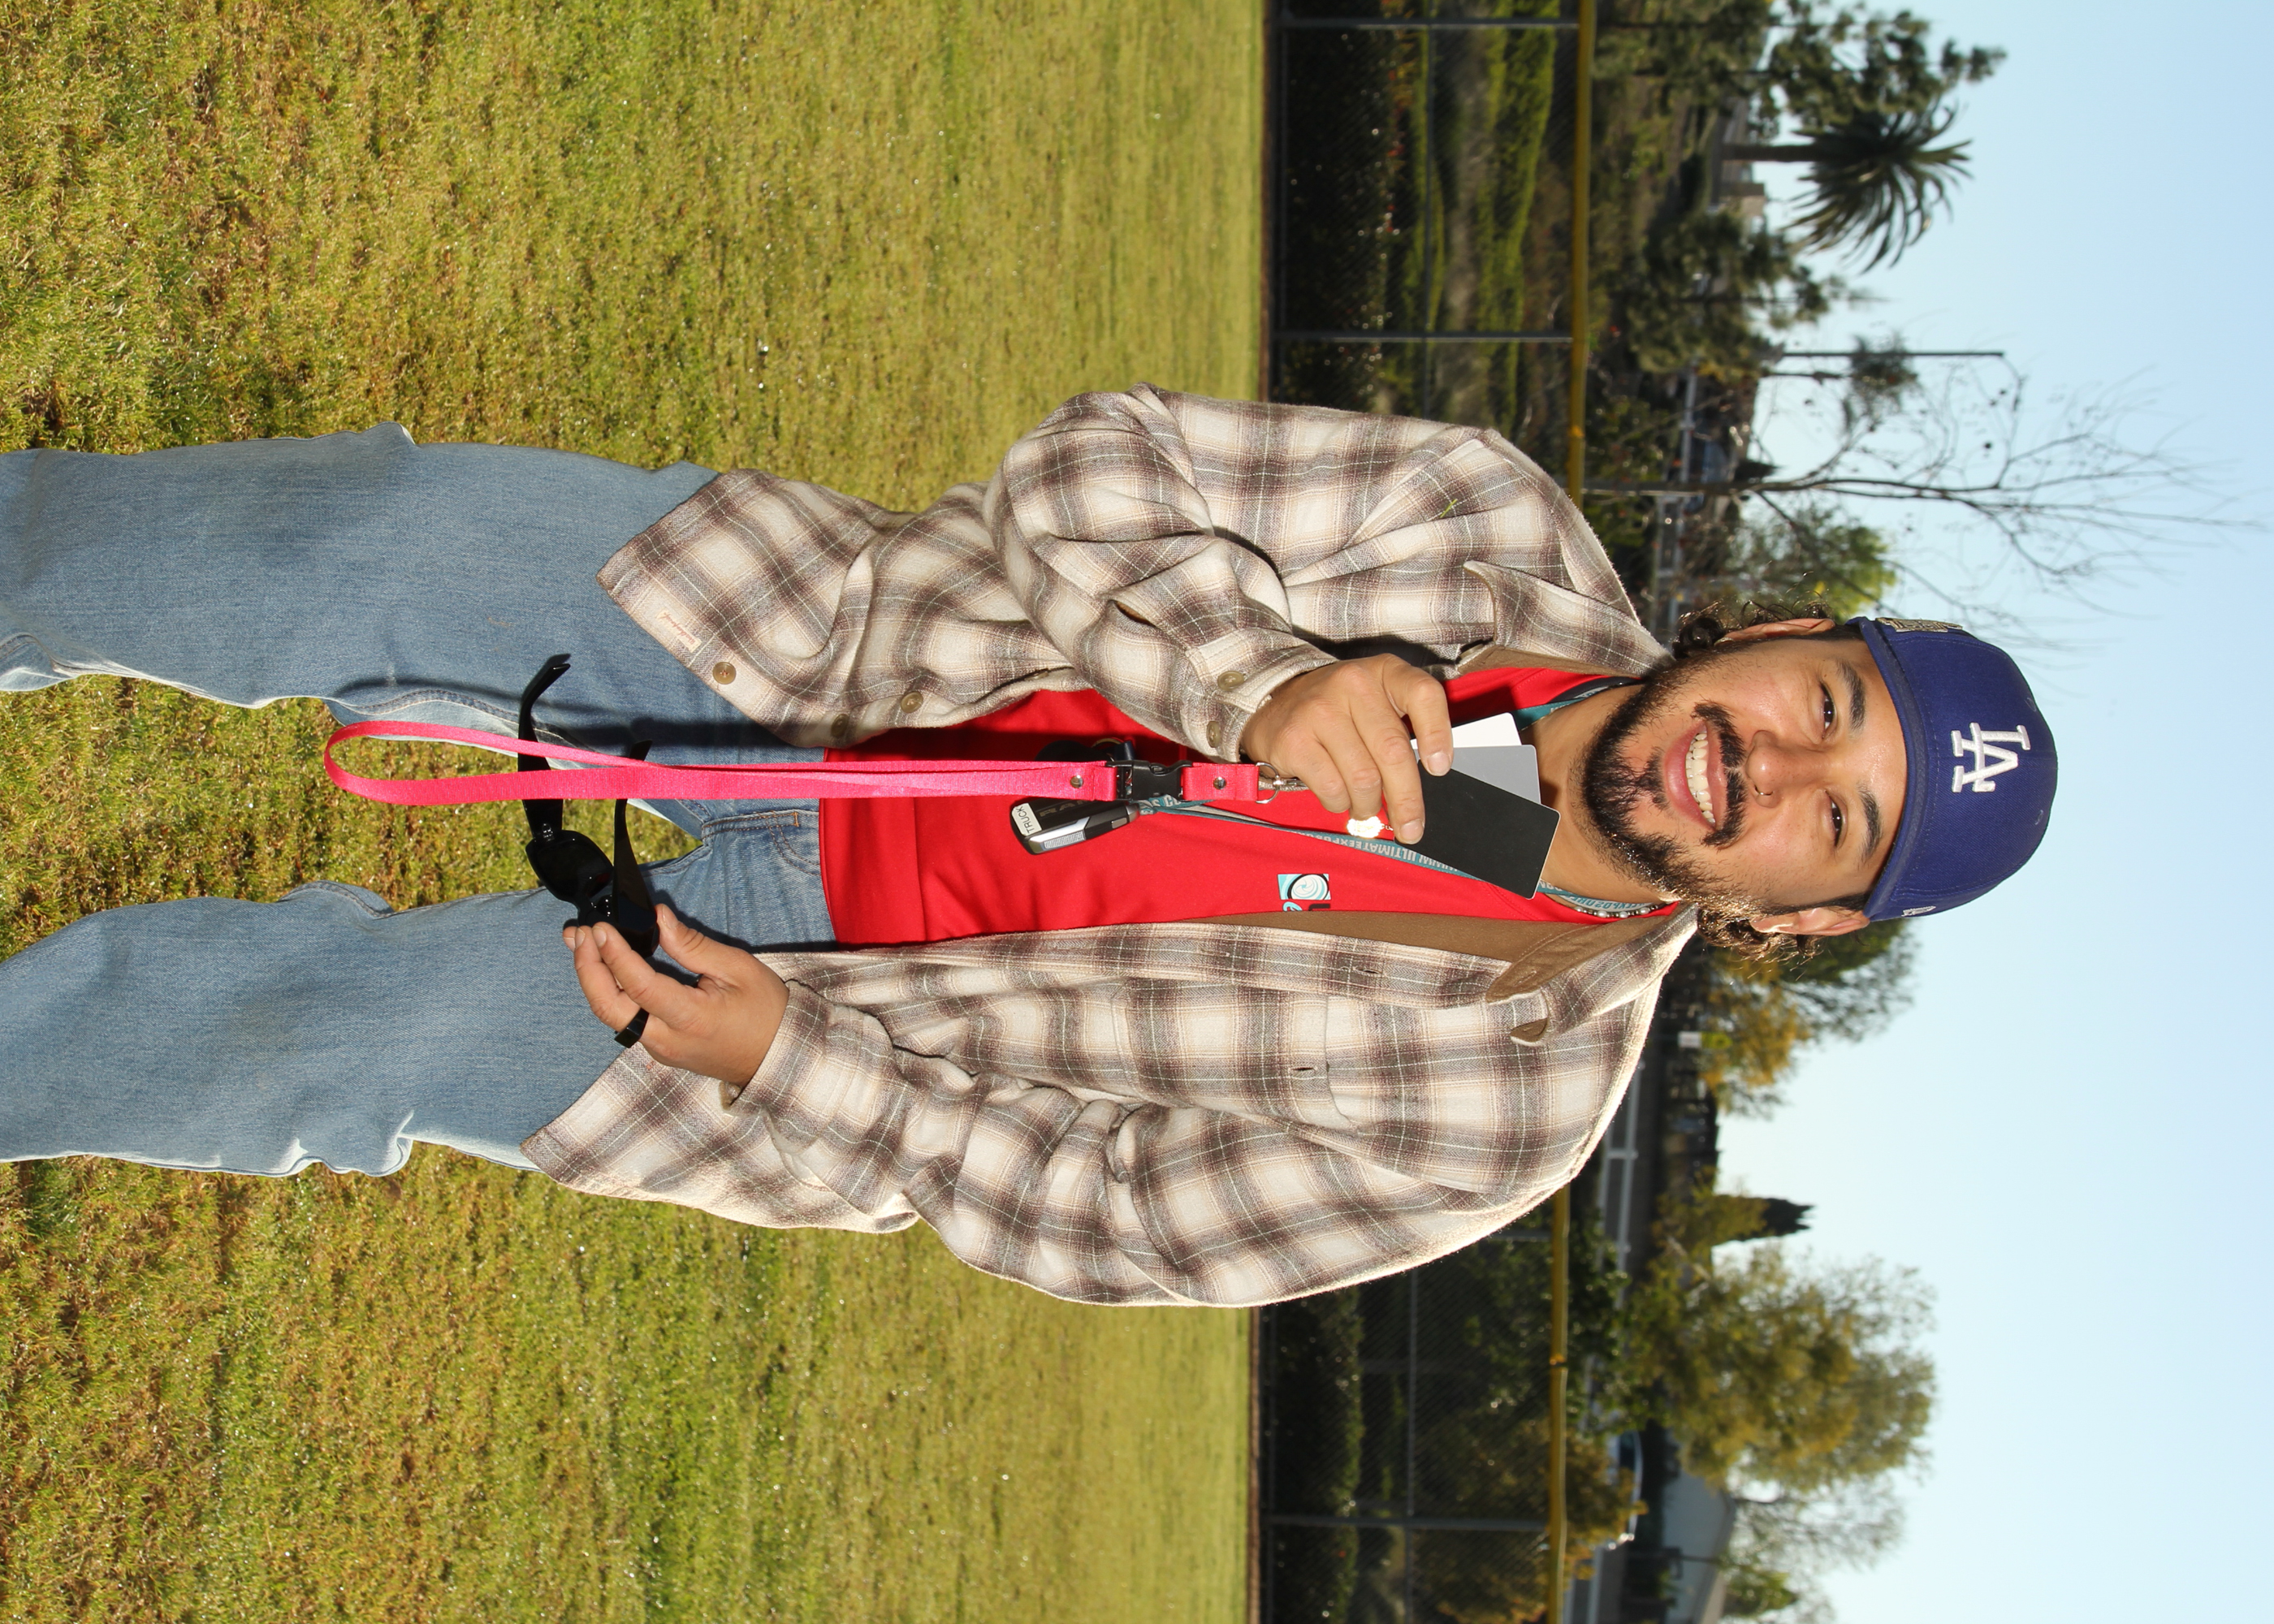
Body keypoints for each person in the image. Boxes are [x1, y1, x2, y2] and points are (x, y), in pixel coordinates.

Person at [0, 386, 2056, 1305]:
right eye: (1824, 701)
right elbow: (1095, 461)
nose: (1768, 769)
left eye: (1837, 820)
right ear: (1778, 632)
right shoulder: (1484, 526)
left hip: (782, 1027)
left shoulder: (1499, 1119)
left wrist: (791, 1063)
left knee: (310, 1043)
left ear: (1802, 921)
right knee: (336, 535)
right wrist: (1255, 671)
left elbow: (1120, 1220)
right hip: (796, 634)